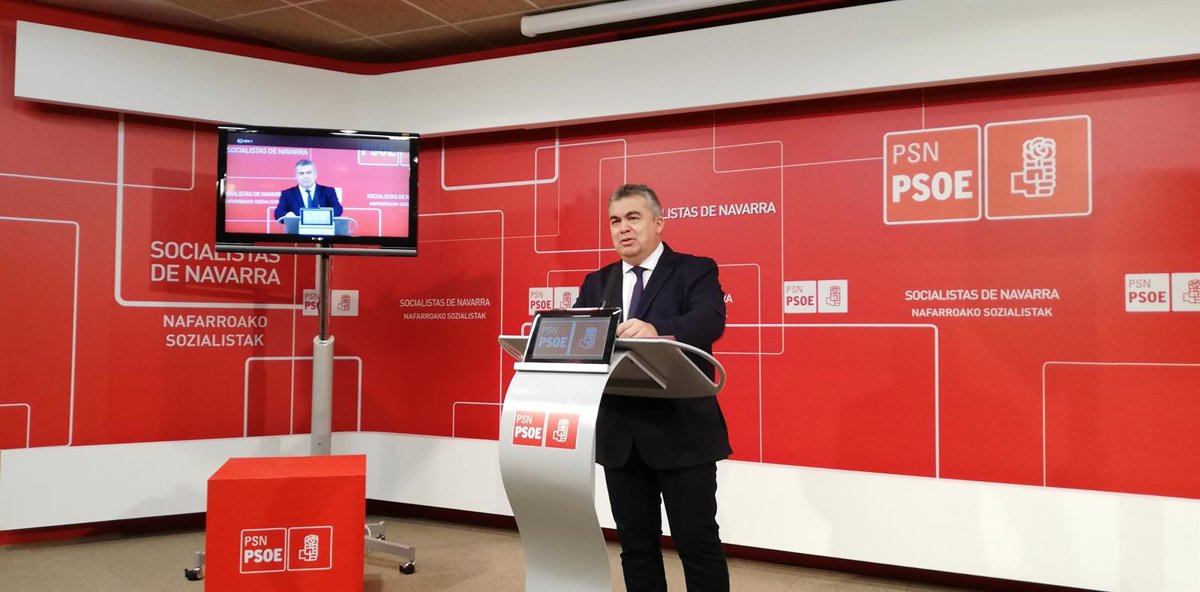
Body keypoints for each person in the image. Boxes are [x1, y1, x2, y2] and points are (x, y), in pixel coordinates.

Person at [574, 183, 731, 592]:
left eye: (633, 218)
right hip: (621, 438)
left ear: (658, 223)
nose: (623, 228)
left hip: (682, 432)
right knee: (636, 547)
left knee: (697, 544)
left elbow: (710, 320)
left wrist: (656, 330)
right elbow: (580, 339)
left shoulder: (695, 270)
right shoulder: (596, 282)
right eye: (615, 221)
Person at [274, 159, 343, 221]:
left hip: (322, 230)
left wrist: (323, 216)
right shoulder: (287, 194)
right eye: (301, 173)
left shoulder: (328, 191)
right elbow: (278, 213)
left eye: (309, 172)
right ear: (296, 176)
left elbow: (338, 209)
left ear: (315, 174)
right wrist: (287, 215)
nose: (305, 176)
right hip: (296, 230)